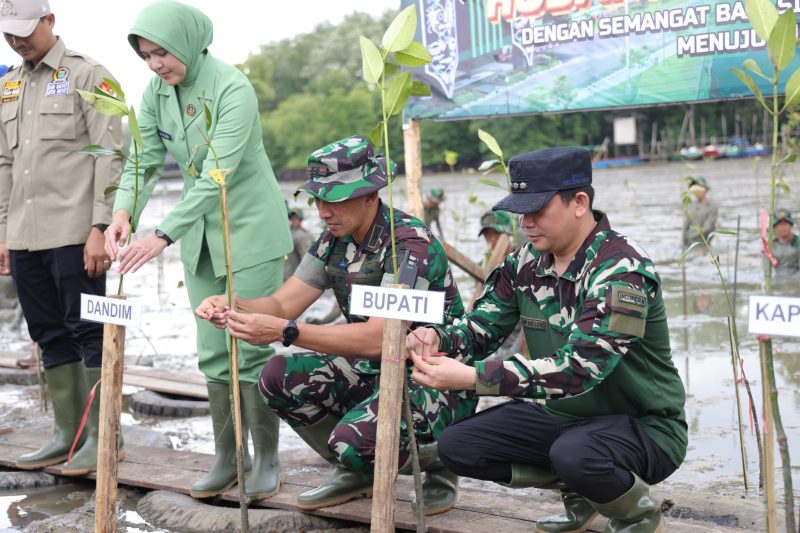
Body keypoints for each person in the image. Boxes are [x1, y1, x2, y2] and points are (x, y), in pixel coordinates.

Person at [406, 147, 687, 533]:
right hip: (561, 415)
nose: (526, 222)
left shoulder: (622, 268)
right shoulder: (523, 264)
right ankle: (581, 491)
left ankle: (636, 512)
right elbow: (478, 330)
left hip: (643, 427)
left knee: (575, 453)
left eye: (537, 210)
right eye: (521, 211)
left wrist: (474, 378)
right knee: (458, 446)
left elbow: (580, 368)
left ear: (580, 202)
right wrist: (434, 338)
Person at [196, 135, 471, 516]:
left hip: (434, 378)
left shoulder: (409, 244)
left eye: (335, 198)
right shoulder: (333, 241)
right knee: (276, 376)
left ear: (371, 195)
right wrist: (234, 302)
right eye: (319, 199)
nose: (324, 211)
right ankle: (357, 470)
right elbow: (282, 303)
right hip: (374, 368)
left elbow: (380, 339)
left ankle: (441, 462)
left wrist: (286, 332)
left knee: (352, 439)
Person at [104, 0, 292, 500]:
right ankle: (228, 459)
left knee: (249, 348)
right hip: (202, 240)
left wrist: (161, 235)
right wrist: (123, 213)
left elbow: (215, 177)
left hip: (248, 230)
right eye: (146, 56)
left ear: (187, 42)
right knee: (211, 355)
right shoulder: (155, 93)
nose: (155, 65)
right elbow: (142, 162)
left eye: (162, 53)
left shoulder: (233, 88)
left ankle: (268, 461)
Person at [0, 0, 122, 474]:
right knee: (47, 333)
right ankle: (66, 434)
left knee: (90, 333)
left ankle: (103, 438)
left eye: (25, 30)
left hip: (77, 234)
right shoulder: (8, 85)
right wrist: (4, 231)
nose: (16, 40)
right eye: (8, 32)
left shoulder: (90, 75)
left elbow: (111, 156)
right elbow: (5, 164)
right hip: (26, 235)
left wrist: (100, 228)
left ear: (51, 22)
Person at [681, 175, 717, 249]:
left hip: (703, 242)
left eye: (697, 188)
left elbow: (708, 227)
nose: (695, 191)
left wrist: (692, 236)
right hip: (689, 243)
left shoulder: (712, 207)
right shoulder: (690, 206)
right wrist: (683, 242)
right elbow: (685, 226)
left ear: (705, 189)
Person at [284, 204, 313, 282]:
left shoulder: (303, 235)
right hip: (286, 273)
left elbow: (305, 258)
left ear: (300, 219)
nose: (293, 221)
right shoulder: (288, 232)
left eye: (295, 218)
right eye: (291, 218)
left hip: (295, 275)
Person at [769, 208, 800, 279]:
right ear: (775, 227)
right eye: (780, 225)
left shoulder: (798, 242)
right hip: (778, 281)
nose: (783, 228)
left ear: (791, 225)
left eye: (785, 224)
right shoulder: (771, 246)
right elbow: (766, 271)